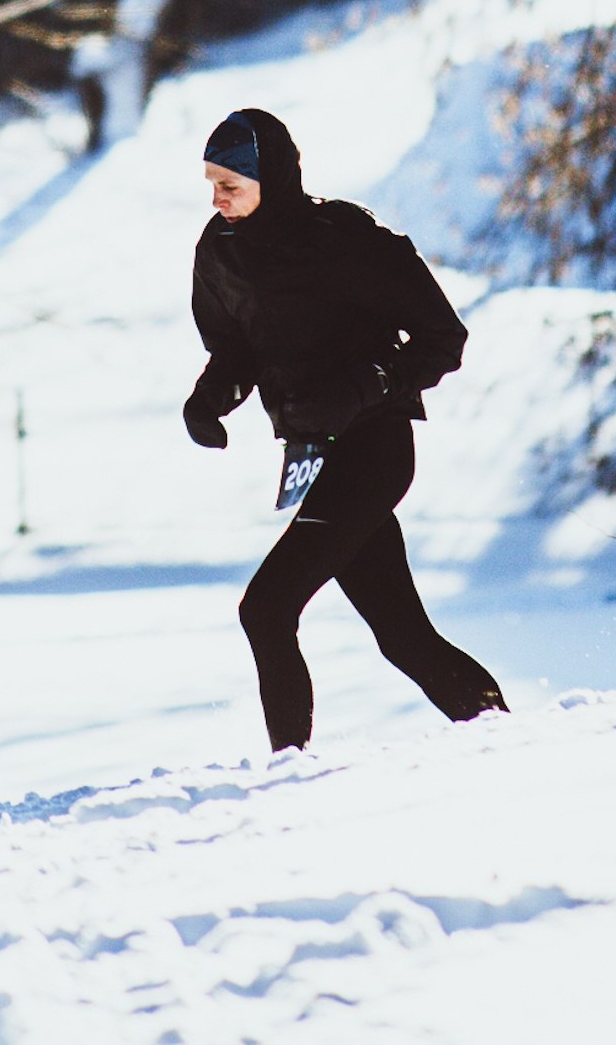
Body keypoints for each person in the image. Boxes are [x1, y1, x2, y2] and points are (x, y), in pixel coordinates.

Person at [184, 107, 508, 752]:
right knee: (404, 637)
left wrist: (362, 387)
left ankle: (291, 772)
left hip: (373, 448)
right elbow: (236, 348)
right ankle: (504, 735)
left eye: (231, 186)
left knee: (266, 610)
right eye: (212, 185)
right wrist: (210, 399)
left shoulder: (345, 238)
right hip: (311, 455)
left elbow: (442, 338)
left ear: (272, 178)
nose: (217, 200)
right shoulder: (220, 252)